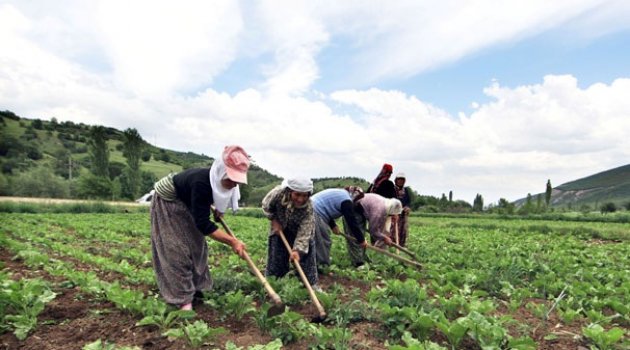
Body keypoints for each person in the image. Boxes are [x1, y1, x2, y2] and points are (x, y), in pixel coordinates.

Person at [150, 145, 249, 310]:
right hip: (168, 201)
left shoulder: (226, 183)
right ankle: (181, 299)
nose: (233, 184)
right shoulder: (202, 182)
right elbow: (203, 224)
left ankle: (197, 289)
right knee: (176, 249)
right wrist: (232, 241)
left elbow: (218, 197)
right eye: (230, 179)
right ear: (221, 173)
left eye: (236, 181)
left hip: (187, 201)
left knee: (197, 247)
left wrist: (219, 210)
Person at [262, 177, 321, 291]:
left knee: (306, 257)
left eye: (305, 195)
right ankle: (273, 283)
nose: (300, 199)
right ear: (289, 191)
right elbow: (266, 206)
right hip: (279, 226)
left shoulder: (308, 208)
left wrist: (297, 250)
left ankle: (311, 284)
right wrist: (274, 220)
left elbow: (305, 232)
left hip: (299, 230)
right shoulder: (277, 194)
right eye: (297, 194)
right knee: (276, 255)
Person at [312, 186, 368, 269]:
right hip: (315, 212)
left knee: (314, 239)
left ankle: (316, 260)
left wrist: (333, 225)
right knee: (323, 240)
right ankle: (322, 265)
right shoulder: (347, 201)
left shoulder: (341, 194)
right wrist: (361, 240)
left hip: (312, 208)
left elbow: (326, 206)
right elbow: (352, 222)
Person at [393, 172, 412, 247]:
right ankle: (394, 246)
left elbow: (408, 201)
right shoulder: (392, 189)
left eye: (402, 179)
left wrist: (407, 207)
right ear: (396, 180)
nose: (401, 181)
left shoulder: (406, 190)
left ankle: (402, 246)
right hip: (394, 214)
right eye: (399, 179)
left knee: (403, 231)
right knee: (394, 231)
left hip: (403, 215)